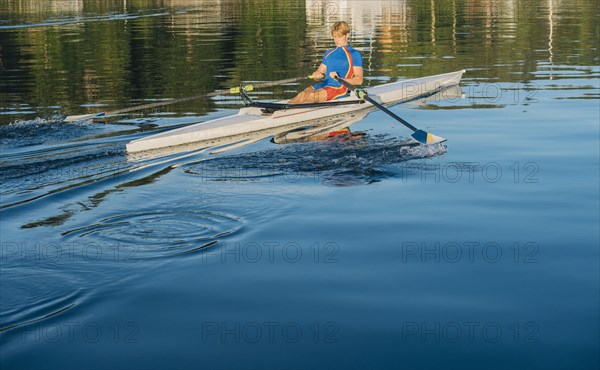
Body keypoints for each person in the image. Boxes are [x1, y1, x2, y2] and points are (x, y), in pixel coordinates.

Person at [289, 21, 363, 104]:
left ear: (347, 35)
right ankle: (280, 111)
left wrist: (339, 79)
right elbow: (319, 73)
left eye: (339, 36)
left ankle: (289, 112)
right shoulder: (328, 53)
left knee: (312, 96)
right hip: (324, 86)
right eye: (334, 37)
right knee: (302, 95)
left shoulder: (354, 54)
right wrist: (317, 75)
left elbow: (359, 80)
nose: (336, 40)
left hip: (338, 88)